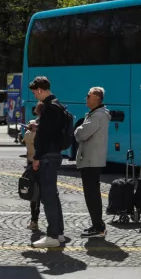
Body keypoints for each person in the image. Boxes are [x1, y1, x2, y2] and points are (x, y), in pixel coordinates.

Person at [29, 76, 68, 248]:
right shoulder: (57, 105)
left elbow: (45, 136)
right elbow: (51, 131)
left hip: (47, 156)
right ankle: (58, 233)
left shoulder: (49, 107)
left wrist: (37, 157)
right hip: (54, 153)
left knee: (48, 196)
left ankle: (52, 235)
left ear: (39, 90)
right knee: (53, 195)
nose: (35, 96)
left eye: (34, 93)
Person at [74, 86, 110, 238]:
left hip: (91, 160)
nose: (86, 98)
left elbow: (80, 134)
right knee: (92, 194)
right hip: (92, 159)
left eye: (88, 96)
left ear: (96, 98)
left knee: (92, 195)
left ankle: (98, 226)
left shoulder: (97, 116)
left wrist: (77, 129)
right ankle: (97, 224)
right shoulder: (96, 114)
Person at [23, 109, 41, 231]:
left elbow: (25, 139)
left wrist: (30, 129)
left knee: (34, 194)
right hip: (41, 164)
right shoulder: (37, 133)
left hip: (33, 164)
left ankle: (34, 220)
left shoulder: (28, 134)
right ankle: (35, 220)